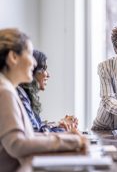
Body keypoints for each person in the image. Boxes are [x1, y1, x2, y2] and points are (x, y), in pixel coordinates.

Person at [0, 28, 87, 172]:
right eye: (29, 54)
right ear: (13, 57)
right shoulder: (5, 92)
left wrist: (67, 137)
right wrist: (72, 141)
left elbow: (28, 135)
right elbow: (17, 145)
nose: (34, 63)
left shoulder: (8, 89)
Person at [17, 50, 78, 132]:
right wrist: (61, 129)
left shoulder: (25, 94)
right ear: (33, 70)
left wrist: (58, 124)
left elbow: (36, 126)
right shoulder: (21, 95)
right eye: (43, 69)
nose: (48, 75)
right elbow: (35, 134)